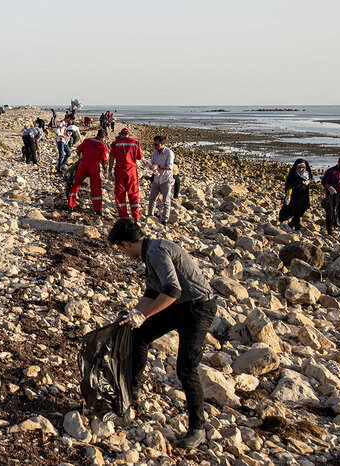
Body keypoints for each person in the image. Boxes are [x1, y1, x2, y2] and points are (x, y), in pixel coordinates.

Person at [108, 218, 216, 449]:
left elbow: (172, 290)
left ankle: (197, 429)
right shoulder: (149, 250)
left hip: (198, 309)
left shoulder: (156, 252)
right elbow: (152, 292)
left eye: (120, 249)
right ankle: (132, 392)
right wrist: (135, 314)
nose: (122, 254)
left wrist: (144, 315)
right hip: (179, 305)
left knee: (186, 370)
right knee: (138, 335)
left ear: (126, 244)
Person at [68, 129, 109, 214]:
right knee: (96, 189)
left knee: (76, 184)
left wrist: (80, 157)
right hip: (94, 168)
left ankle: (70, 205)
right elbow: (104, 161)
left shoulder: (87, 141)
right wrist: (105, 170)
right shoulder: (103, 146)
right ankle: (98, 209)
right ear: (104, 137)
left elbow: (78, 150)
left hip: (83, 165)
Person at [108, 128, 143, 220]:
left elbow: (111, 158)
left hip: (120, 171)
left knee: (120, 194)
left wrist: (109, 171)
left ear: (121, 134)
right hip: (132, 171)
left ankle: (123, 216)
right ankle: (136, 216)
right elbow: (140, 157)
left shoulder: (115, 144)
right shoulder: (135, 143)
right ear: (129, 134)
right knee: (133, 193)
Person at [146, 136, 175, 225]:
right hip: (157, 178)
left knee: (166, 200)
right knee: (152, 198)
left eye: (156, 144)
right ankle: (150, 216)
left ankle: (164, 220)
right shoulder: (154, 152)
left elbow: (169, 167)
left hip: (166, 179)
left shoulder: (169, 153)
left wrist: (158, 166)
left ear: (162, 144)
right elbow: (153, 164)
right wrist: (151, 166)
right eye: (154, 144)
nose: (155, 146)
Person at [278, 159, 313, 232]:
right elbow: (289, 186)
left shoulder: (307, 174)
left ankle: (290, 224)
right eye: (299, 167)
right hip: (295, 195)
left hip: (304, 195)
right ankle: (297, 229)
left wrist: (308, 182)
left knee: (302, 210)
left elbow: (310, 179)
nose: (301, 169)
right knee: (296, 211)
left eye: (302, 167)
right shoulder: (292, 175)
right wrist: (288, 195)